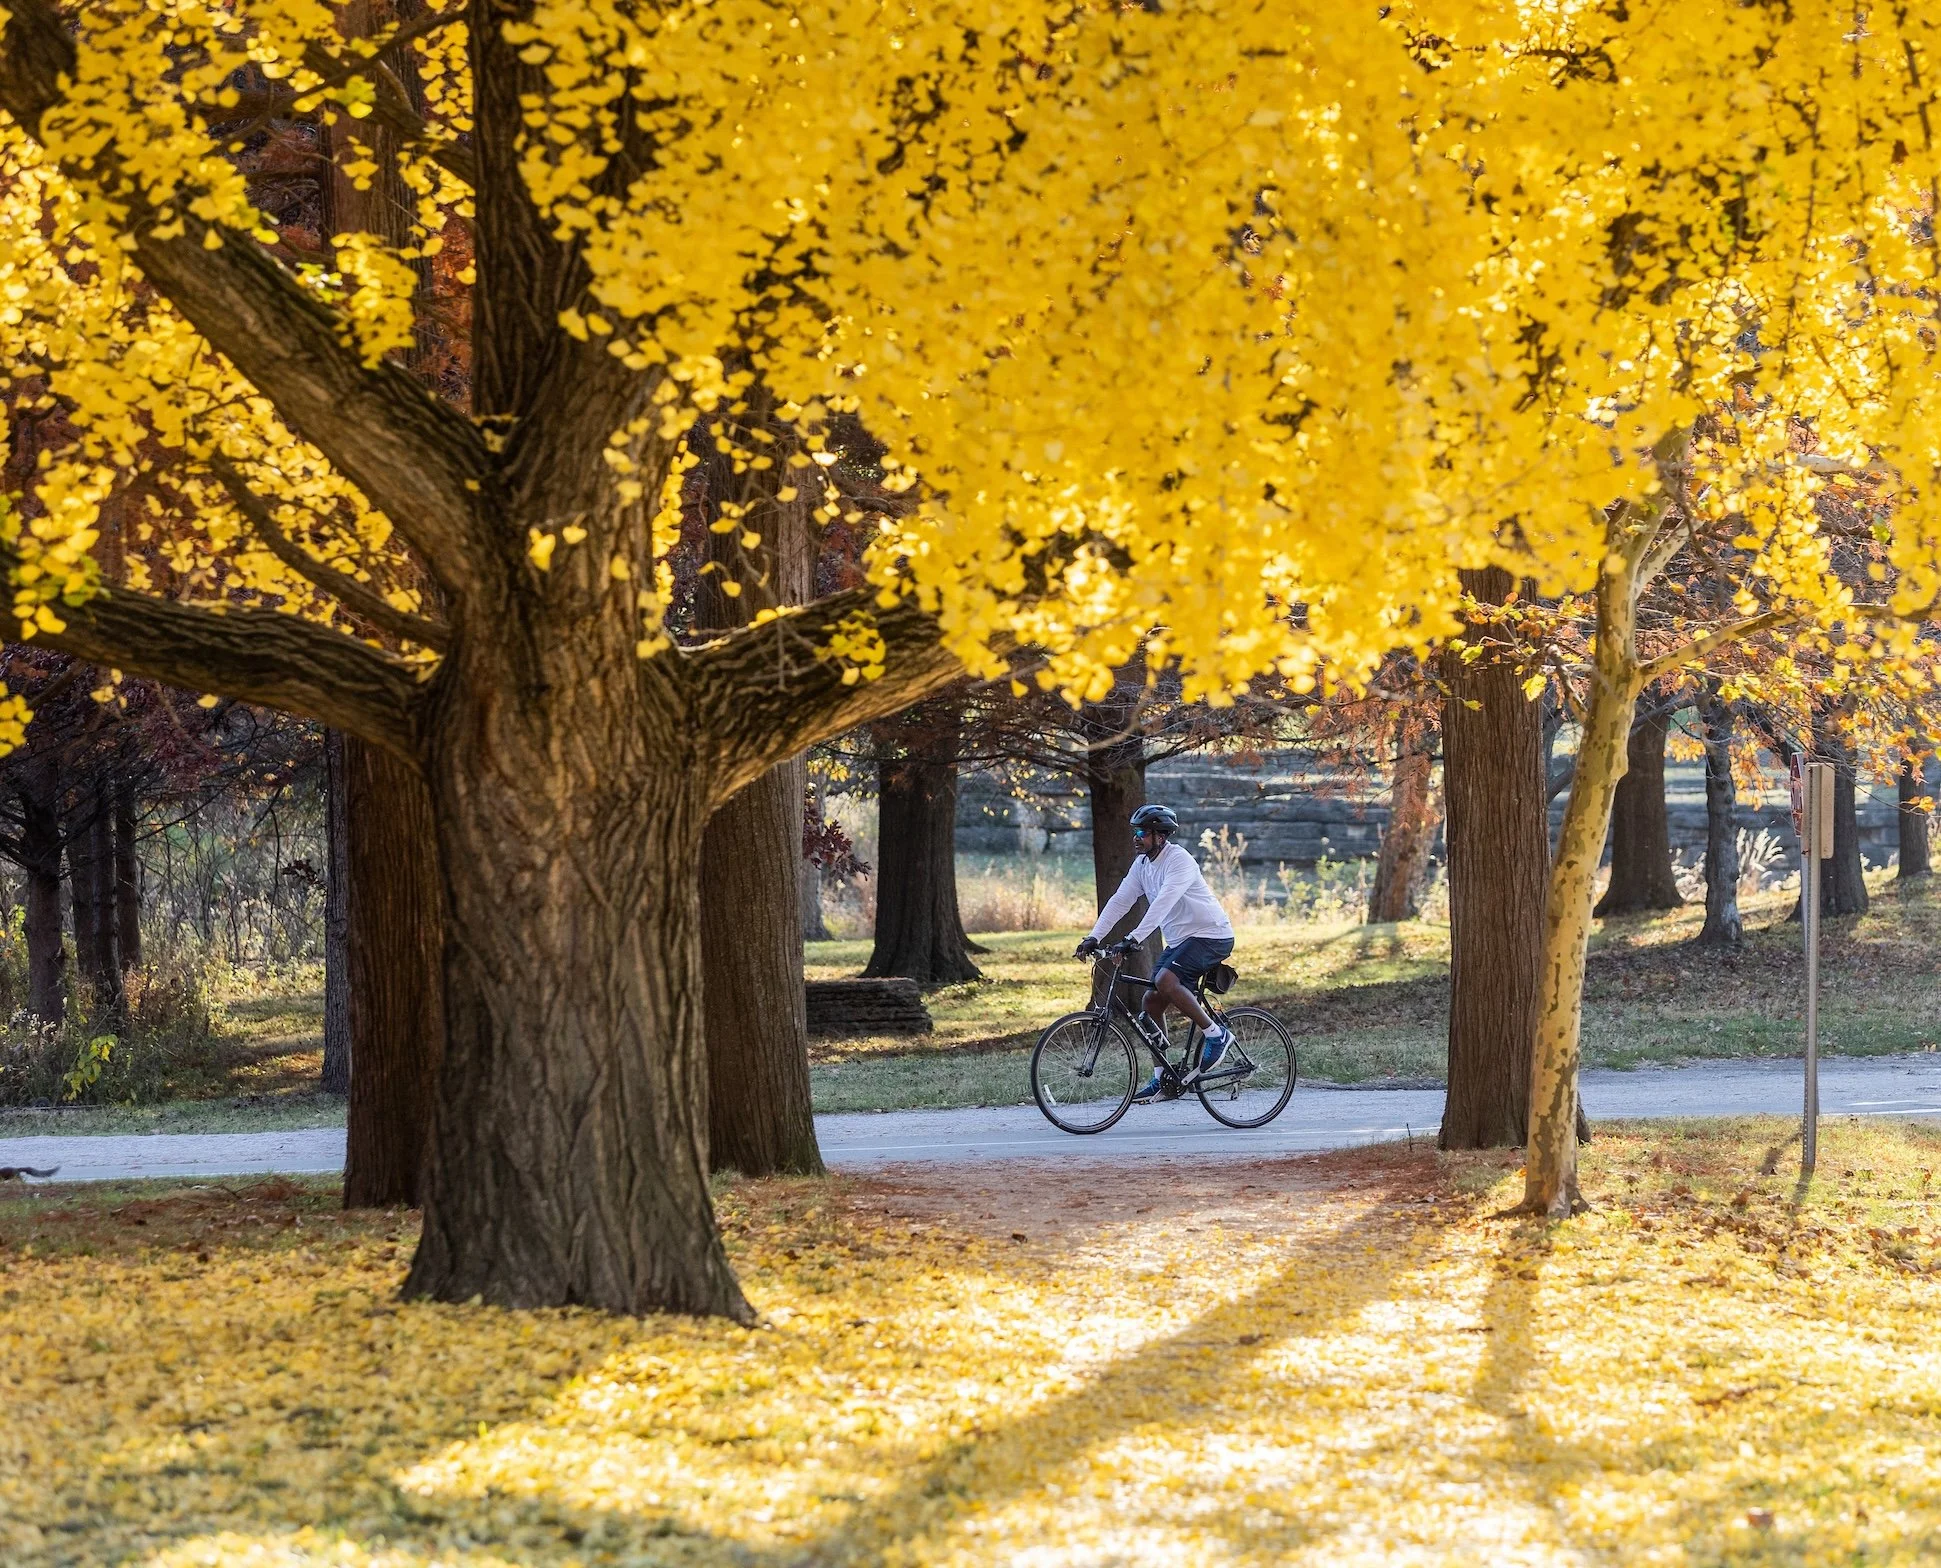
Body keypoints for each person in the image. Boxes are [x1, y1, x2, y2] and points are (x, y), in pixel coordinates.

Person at [1074, 804, 1235, 1100]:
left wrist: (1133, 938)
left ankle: (1216, 1034)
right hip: (1182, 940)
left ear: (1160, 836)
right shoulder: (1142, 865)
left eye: (1142, 833)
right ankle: (1163, 1080)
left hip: (1211, 935)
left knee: (1166, 981)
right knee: (1150, 1003)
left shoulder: (1179, 861)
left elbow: (1162, 904)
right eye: (1134, 832)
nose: (1136, 838)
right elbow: (1120, 901)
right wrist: (1093, 936)